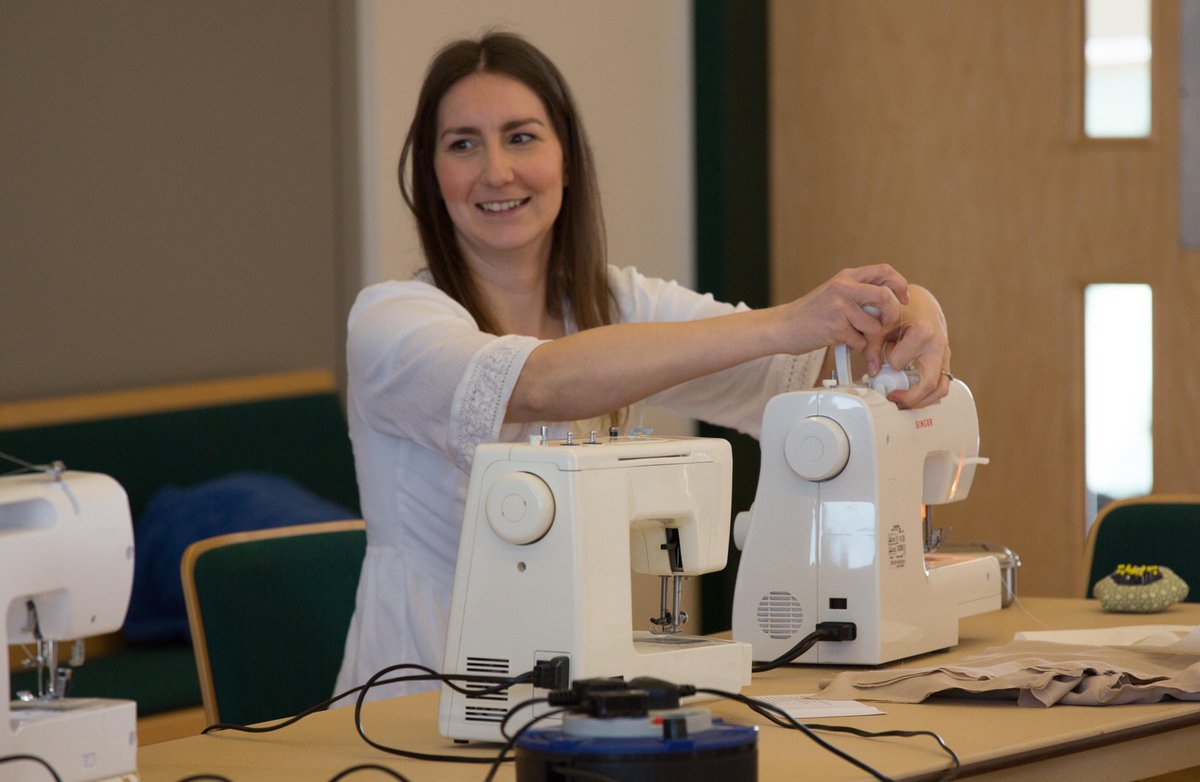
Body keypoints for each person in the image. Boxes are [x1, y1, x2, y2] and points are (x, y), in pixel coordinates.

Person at [333, 31, 952, 701]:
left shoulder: (619, 302)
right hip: (416, 696)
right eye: (462, 144)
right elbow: (540, 384)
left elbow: (809, 374)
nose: (496, 171)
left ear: (567, 160)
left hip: (582, 694)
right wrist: (784, 322)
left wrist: (915, 311)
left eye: (521, 137)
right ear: (430, 176)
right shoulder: (390, 323)